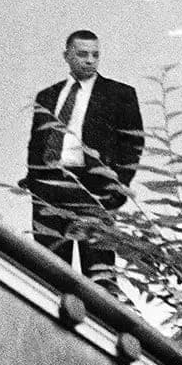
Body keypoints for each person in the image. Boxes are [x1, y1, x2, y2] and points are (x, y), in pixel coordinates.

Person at [23, 30, 144, 284]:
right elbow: (36, 143)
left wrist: (116, 188)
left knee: (98, 273)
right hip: (50, 187)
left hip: (93, 189)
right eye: (82, 54)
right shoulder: (47, 96)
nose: (90, 60)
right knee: (49, 270)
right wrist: (34, 179)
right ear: (66, 55)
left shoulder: (119, 94)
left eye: (95, 55)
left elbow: (133, 145)